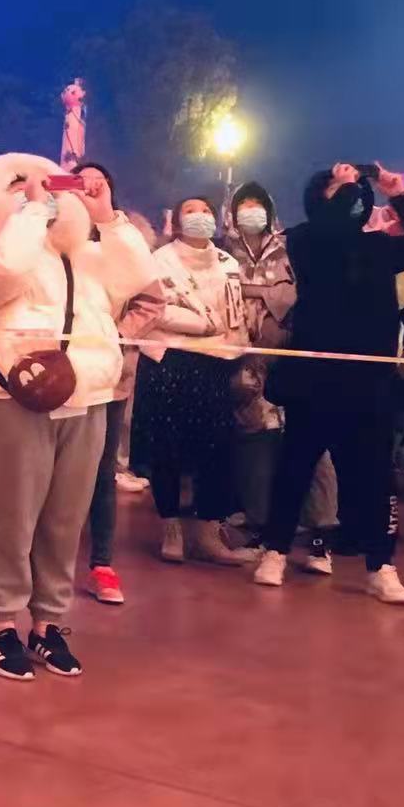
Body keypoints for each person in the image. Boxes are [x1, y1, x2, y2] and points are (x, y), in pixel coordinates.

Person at [0, 153, 156, 681]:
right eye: (25, 186)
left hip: (89, 394)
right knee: (11, 515)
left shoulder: (89, 256)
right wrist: (33, 211)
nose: (48, 196)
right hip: (19, 396)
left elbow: (140, 277)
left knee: (65, 518)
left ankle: (47, 624)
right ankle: (1, 626)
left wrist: (107, 215)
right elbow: (7, 269)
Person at [254, 163, 404, 600]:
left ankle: (381, 565)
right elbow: (333, 227)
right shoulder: (305, 240)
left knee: (374, 477)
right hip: (314, 382)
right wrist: (350, 187)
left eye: (354, 190)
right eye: (340, 190)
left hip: (370, 384)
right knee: (295, 469)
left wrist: (398, 192)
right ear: (320, 199)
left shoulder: (379, 247)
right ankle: (275, 550)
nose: (354, 195)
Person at [131, 195, 259, 566]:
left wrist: (239, 349)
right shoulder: (159, 260)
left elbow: (233, 313)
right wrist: (201, 325)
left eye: (205, 211)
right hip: (170, 362)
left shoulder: (226, 262)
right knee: (167, 449)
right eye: (190, 211)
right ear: (176, 220)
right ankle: (171, 528)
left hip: (216, 364)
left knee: (215, 451)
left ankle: (208, 535)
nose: (199, 216)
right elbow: (155, 309)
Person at [220, 181, 339, 575]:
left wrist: (255, 293)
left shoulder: (292, 247)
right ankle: (263, 527)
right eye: (244, 205)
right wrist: (266, 294)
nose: (251, 211)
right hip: (241, 359)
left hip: (292, 356)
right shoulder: (223, 251)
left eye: (258, 204)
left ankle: (321, 533)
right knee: (254, 443)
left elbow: (301, 295)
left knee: (311, 445)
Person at [75, 165, 163, 606]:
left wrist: (112, 333)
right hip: (56, 372)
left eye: (98, 182)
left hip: (109, 374)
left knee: (101, 471)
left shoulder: (128, 240)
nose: (89, 188)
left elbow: (152, 299)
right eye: (80, 181)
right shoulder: (56, 235)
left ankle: (102, 563)